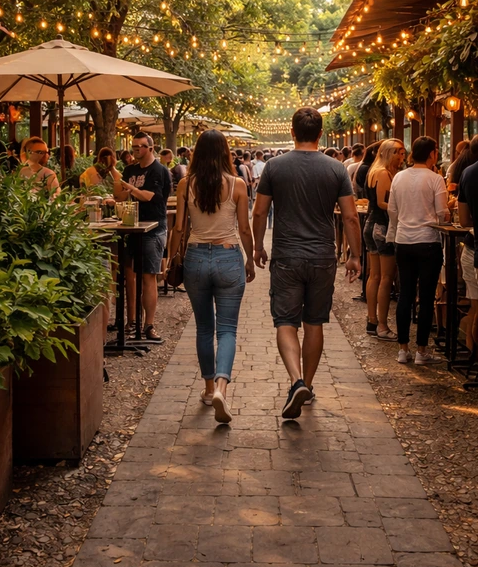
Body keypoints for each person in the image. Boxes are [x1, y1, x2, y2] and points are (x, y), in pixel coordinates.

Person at [252, 107, 361, 420]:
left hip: (287, 255)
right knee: (315, 322)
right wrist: (355, 255)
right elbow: (351, 216)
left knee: (286, 321)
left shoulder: (274, 166)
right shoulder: (336, 169)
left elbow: (259, 211)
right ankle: (308, 385)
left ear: (292, 132)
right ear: (321, 134)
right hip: (322, 256)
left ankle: (296, 380)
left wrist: (257, 246)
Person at [167, 130, 255, 424]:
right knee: (227, 330)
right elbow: (244, 228)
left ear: (197, 153)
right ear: (225, 152)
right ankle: (221, 388)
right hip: (228, 256)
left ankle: (207, 389)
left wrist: (170, 258)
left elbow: (179, 228)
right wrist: (250, 259)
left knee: (204, 328)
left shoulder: (185, 184)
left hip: (195, 258)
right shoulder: (237, 184)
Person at [388, 135, 450, 365]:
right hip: (428, 242)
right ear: (432, 154)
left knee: (405, 294)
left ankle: (403, 349)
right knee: (425, 297)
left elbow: (392, 210)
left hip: (404, 241)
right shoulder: (435, 179)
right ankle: (421, 350)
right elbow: (442, 213)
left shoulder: (399, 177)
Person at [123, 132, 172, 339]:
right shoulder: (129, 170)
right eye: (133, 146)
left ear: (151, 148)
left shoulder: (159, 171)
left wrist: (130, 188)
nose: (136, 150)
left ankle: (148, 325)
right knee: (129, 275)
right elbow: (121, 195)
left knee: (149, 275)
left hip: (153, 228)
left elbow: (151, 197)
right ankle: (131, 321)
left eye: (140, 146)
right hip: (129, 227)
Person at [363, 139, 405, 341]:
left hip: (371, 225)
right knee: (385, 278)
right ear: (388, 153)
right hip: (382, 227)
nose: (402, 157)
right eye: (398, 152)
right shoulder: (383, 173)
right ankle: (382, 325)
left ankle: (372, 320)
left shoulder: (374, 171)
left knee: (375, 276)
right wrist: (402, 208)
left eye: (403, 153)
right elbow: (383, 202)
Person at [452, 135, 478, 356]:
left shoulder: (468, 174)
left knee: (475, 307)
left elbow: (463, 220)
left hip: (472, 248)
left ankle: (472, 353)